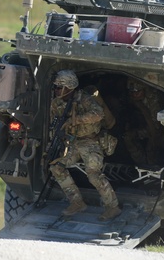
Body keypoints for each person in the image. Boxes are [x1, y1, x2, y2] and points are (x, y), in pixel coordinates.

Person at [48, 70, 121, 221]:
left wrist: (76, 120)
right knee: (56, 167)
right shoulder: (57, 103)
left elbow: (98, 114)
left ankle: (112, 207)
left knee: (93, 174)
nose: (56, 90)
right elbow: (54, 122)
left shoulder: (85, 99)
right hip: (73, 142)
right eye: (55, 87)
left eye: (59, 87)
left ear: (69, 87)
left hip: (91, 142)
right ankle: (77, 202)